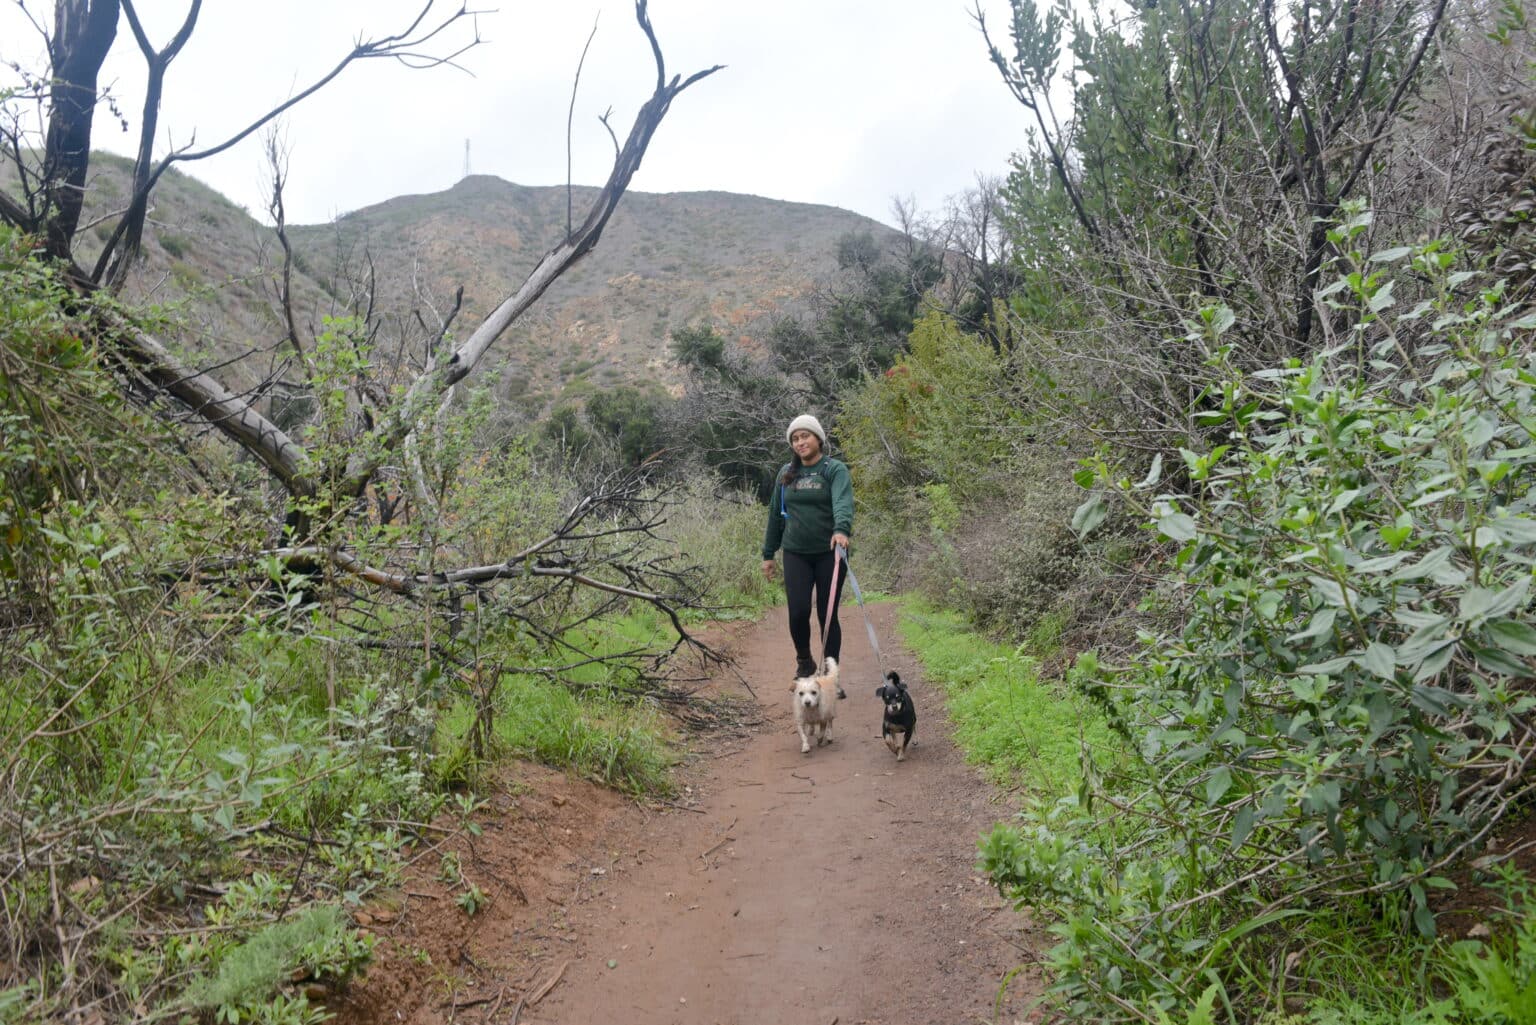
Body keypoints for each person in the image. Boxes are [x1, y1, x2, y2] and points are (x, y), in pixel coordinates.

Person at [761, 414, 853, 690]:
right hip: (795, 553)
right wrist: (768, 554)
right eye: (795, 439)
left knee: (827, 615)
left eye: (805, 436)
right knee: (799, 612)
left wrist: (841, 529)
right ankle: (804, 662)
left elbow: (843, 502)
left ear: (819, 439)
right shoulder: (785, 474)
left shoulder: (834, 470)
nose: (800, 442)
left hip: (831, 554)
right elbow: (775, 515)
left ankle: (830, 675)